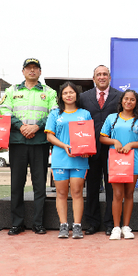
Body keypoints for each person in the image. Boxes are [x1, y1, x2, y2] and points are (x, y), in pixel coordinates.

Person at [0, 58, 58, 235]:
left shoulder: (49, 92)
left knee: (39, 186)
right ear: (23, 71)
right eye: (28, 68)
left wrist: (37, 126)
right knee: (17, 184)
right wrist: (21, 126)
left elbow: (54, 112)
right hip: (18, 141)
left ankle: (38, 223)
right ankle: (17, 223)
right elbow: (4, 110)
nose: (32, 71)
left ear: (40, 72)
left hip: (40, 142)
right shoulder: (12, 90)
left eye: (35, 68)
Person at [100, 89, 138, 240]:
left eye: (132, 100)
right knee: (117, 194)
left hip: (133, 160)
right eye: (126, 99)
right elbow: (102, 138)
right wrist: (114, 141)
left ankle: (126, 227)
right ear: (121, 101)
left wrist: (132, 144)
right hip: (116, 160)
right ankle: (116, 227)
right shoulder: (112, 118)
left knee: (129, 194)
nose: (128, 102)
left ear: (136, 103)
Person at [45, 82, 92, 239]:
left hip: (79, 158)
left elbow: (88, 137)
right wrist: (64, 146)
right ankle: (63, 225)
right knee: (61, 192)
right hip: (60, 157)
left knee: (77, 192)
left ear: (76, 95)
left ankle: (77, 226)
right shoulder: (55, 114)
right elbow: (49, 136)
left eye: (71, 92)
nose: (69, 95)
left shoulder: (84, 114)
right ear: (61, 96)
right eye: (65, 93)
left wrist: (86, 150)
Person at [79, 65, 121, 236]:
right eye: (99, 74)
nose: (102, 77)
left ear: (110, 77)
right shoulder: (83, 97)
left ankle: (111, 223)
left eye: (105, 74)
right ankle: (92, 222)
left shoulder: (120, 96)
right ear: (94, 78)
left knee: (112, 188)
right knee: (92, 187)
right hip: (90, 149)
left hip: (113, 149)